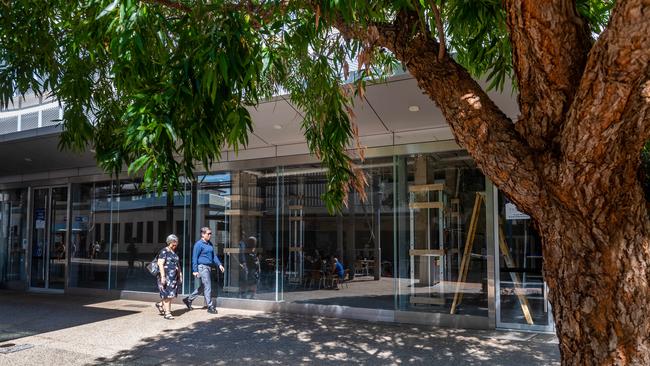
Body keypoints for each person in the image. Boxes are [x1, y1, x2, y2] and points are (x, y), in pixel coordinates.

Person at [183, 227, 224, 314]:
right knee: (208, 286)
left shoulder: (209, 244)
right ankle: (210, 306)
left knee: (204, 286)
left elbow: (214, 256)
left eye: (210, 233)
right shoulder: (198, 244)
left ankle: (188, 299)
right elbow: (194, 258)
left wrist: (219, 264)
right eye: (208, 233)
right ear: (203, 234)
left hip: (208, 267)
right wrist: (195, 270)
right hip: (202, 267)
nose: (210, 235)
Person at [154, 234, 182, 320]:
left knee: (171, 294)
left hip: (173, 277)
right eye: (173, 243)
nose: (175, 245)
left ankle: (160, 304)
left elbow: (178, 264)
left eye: (176, 243)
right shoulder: (164, 251)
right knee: (167, 295)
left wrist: (180, 275)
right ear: (169, 242)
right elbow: (160, 264)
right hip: (166, 276)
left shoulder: (174, 252)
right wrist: (163, 277)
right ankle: (167, 313)